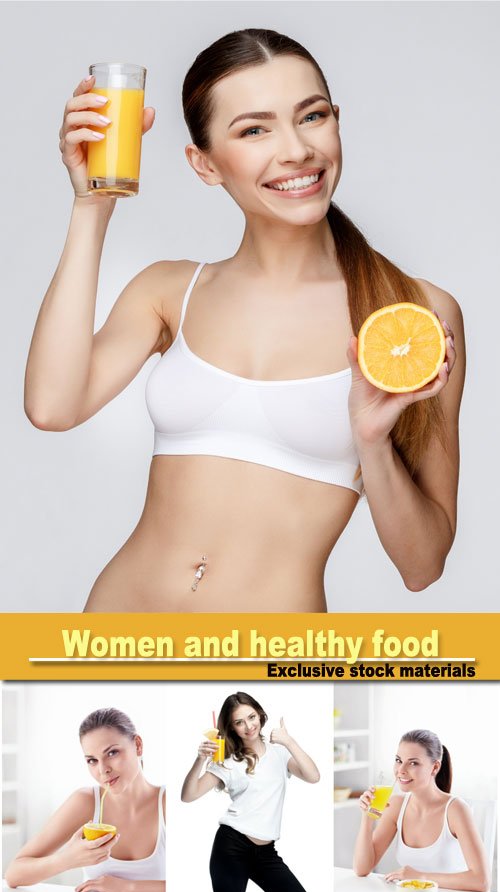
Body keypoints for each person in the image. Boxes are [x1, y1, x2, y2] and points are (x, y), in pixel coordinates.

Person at [24, 29, 463, 610]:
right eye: (255, 129)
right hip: (116, 624)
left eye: (311, 117)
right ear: (204, 165)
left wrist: (372, 443)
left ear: (336, 121)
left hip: (268, 653)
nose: (296, 150)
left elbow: (422, 565)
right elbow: (52, 407)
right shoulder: (169, 291)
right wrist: (91, 206)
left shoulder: (409, 316)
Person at [4, 707, 166, 892]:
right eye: (92, 760)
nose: (103, 769)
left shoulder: (167, 803)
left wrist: (128, 887)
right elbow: (14, 874)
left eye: (112, 753)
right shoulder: (86, 802)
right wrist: (67, 859)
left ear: (138, 745)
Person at [181, 694, 320, 892]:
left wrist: (289, 741)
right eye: (239, 722)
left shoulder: (280, 753)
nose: (248, 726)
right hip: (231, 847)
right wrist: (200, 759)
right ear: (232, 727)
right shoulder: (227, 761)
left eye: (251, 717)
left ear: (260, 714)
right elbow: (188, 795)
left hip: (266, 853)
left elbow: (313, 776)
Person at [353, 730, 490, 892]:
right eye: (398, 760)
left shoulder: (455, 809)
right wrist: (367, 817)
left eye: (413, 763)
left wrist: (420, 876)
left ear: (435, 767)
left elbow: (481, 881)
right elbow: (362, 869)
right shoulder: (396, 806)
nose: (400, 770)